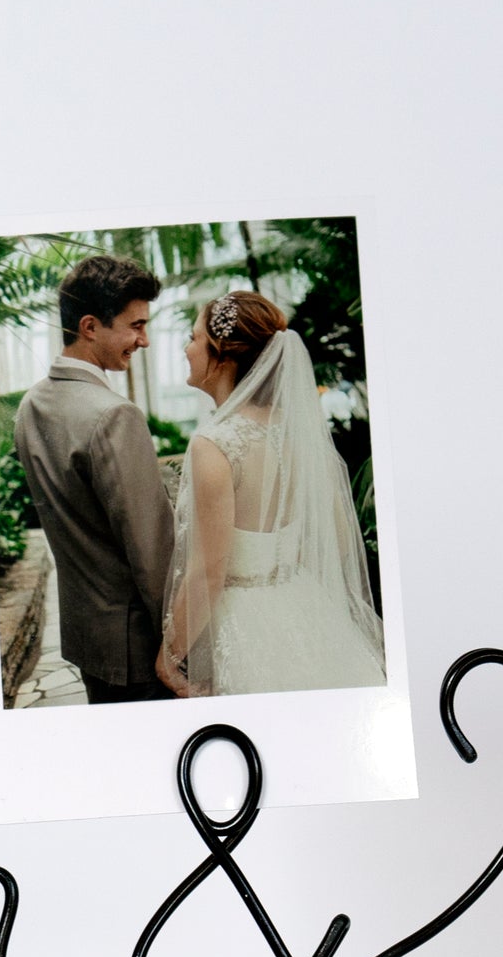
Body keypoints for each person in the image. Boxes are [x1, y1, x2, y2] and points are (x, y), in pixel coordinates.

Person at [157, 292, 386, 699]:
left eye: (193, 339)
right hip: (305, 608)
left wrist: (169, 656)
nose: (186, 349)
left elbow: (208, 569)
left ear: (221, 355)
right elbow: (333, 536)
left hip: (244, 625)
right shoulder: (298, 434)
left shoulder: (214, 444)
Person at [12, 255, 175, 703]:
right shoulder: (114, 415)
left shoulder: (31, 405)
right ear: (89, 326)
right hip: (139, 648)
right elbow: (151, 549)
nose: (143, 340)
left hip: (88, 640)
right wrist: (180, 644)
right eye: (135, 326)